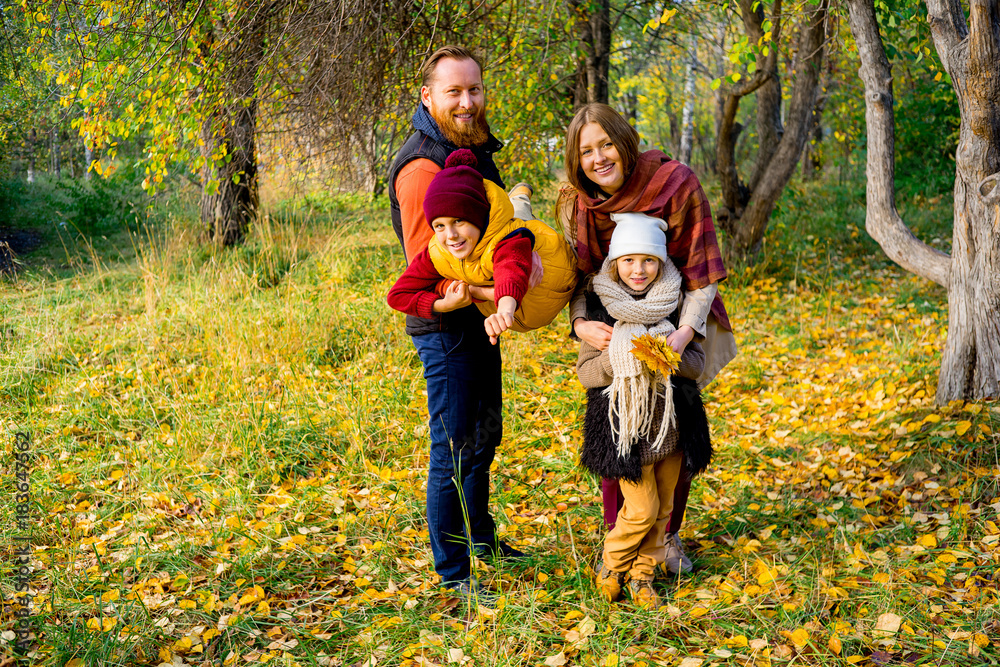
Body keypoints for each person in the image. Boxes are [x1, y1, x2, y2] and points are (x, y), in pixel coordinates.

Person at [560, 103, 737, 575]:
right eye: (586, 151)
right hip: (610, 321)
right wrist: (581, 326)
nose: (598, 158)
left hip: (678, 316)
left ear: (625, 141)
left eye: (606, 144)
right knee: (615, 425)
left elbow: (702, 273)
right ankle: (620, 531)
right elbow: (579, 279)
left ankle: (668, 535)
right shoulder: (582, 202)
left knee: (673, 429)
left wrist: (683, 334)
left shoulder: (675, 184)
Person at [387, 45, 529, 594]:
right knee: (451, 446)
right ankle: (454, 574)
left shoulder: (467, 148)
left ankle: (480, 538)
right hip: (446, 327)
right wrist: (504, 292)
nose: (467, 101)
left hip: (480, 320)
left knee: (484, 438)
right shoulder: (425, 167)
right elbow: (437, 270)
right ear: (428, 97)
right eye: (454, 92)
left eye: (474, 89)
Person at [576, 215, 710, 607]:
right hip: (625, 432)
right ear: (616, 262)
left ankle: (642, 577)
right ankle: (612, 564)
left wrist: (669, 355)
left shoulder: (675, 302)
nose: (639, 269)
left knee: (663, 510)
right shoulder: (602, 310)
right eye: (629, 260)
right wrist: (623, 360)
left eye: (649, 260)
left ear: (662, 263)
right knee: (641, 507)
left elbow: (696, 366)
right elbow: (587, 373)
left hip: (670, 428)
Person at [387, 149, 576, 344]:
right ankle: (516, 200)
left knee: (520, 217)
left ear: (479, 217)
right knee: (515, 214)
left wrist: (504, 311)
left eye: (459, 221)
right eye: (440, 226)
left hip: (555, 271)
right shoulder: (437, 252)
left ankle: (520, 196)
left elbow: (511, 271)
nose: (451, 235)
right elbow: (397, 295)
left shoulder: (509, 241)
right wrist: (444, 304)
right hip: (525, 305)